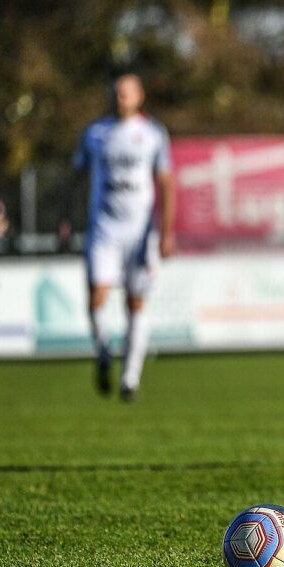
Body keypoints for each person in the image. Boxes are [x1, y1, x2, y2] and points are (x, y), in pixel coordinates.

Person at [65, 73, 175, 401]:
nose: (120, 99)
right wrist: (64, 218)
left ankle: (130, 379)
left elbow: (166, 183)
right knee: (96, 295)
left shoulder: (153, 134)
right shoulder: (96, 133)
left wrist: (166, 232)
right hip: (104, 229)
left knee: (135, 302)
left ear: (139, 96)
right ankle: (103, 351)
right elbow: (75, 177)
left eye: (126, 94)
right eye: (116, 93)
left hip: (140, 232)